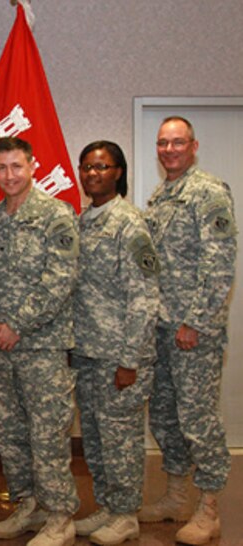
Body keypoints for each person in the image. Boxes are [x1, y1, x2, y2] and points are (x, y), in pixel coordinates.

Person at [0, 137, 80, 546]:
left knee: (47, 432)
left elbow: (60, 281)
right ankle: (28, 504)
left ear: (32, 166)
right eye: (2, 167)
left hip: (41, 347)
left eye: (17, 166)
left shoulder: (55, 216)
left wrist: (16, 323)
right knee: (10, 432)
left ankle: (60, 517)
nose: (10, 175)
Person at [138, 117, 237, 545]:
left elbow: (219, 266)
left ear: (193, 146)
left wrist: (194, 322)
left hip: (192, 332)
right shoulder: (161, 197)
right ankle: (176, 496)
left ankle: (209, 507)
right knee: (164, 416)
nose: (169, 149)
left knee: (198, 419)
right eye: (163, 143)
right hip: (160, 329)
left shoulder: (208, 193)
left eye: (177, 142)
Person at [70, 141, 159, 545]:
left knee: (121, 439)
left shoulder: (130, 223)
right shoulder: (83, 221)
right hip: (87, 352)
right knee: (96, 436)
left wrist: (130, 360)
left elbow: (143, 297)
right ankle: (107, 504)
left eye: (102, 167)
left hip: (120, 356)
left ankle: (126, 514)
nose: (92, 174)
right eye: (87, 166)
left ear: (118, 172)